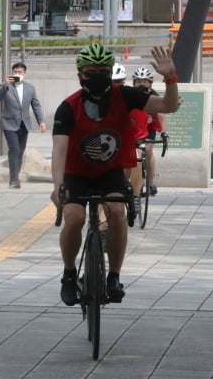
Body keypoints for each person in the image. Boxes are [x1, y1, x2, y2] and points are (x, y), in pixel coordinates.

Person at [51, 44, 180, 306]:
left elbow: (168, 105)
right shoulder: (68, 107)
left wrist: (170, 77)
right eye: (91, 72)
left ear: (110, 73)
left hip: (110, 171)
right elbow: (59, 150)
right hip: (77, 172)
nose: (97, 76)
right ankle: (68, 274)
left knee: (117, 213)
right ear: (80, 75)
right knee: (73, 217)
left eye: (103, 71)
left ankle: (114, 276)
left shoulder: (127, 95)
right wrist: (58, 186)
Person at [0, 62, 46, 189]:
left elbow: (36, 105)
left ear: (25, 74)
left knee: (20, 152)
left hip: (24, 124)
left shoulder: (30, 88)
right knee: (14, 149)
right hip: (8, 123)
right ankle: (13, 179)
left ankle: (15, 177)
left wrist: (41, 121)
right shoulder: (6, 86)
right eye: (15, 72)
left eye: (20, 72)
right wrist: (5, 85)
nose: (17, 74)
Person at [129, 67, 168, 197]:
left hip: (149, 127)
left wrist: (164, 132)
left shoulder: (154, 96)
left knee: (148, 149)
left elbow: (161, 115)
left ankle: (150, 182)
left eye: (145, 81)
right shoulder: (128, 95)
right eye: (138, 81)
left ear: (150, 83)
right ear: (134, 83)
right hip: (134, 129)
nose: (141, 84)